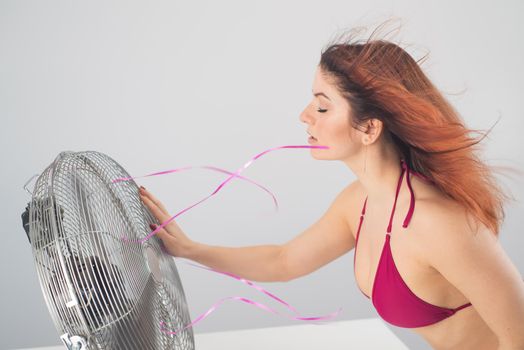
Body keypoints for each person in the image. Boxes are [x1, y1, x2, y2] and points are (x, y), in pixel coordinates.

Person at [139, 25, 524, 349]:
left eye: (322, 107)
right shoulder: (358, 203)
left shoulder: (438, 223)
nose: (304, 116)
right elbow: (284, 261)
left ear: (369, 128)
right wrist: (190, 250)